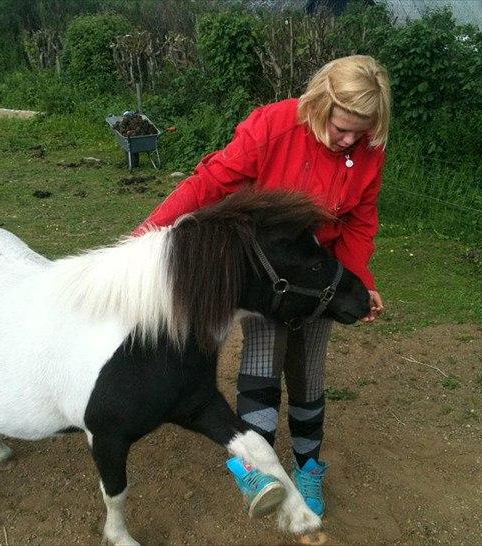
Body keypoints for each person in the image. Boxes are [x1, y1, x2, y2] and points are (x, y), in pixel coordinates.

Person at [134, 55, 390, 517]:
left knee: (309, 371)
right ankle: (258, 469)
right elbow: (209, 183)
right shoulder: (274, 125)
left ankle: (308, 467)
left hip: (318, 278)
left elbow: (359, 222)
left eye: (361, 130)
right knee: (262, 361)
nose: (350, 139)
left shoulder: (368, 150)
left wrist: (359, 280)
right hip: (269, 277)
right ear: (320, 102)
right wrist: (147, 235)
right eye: (342, 126)